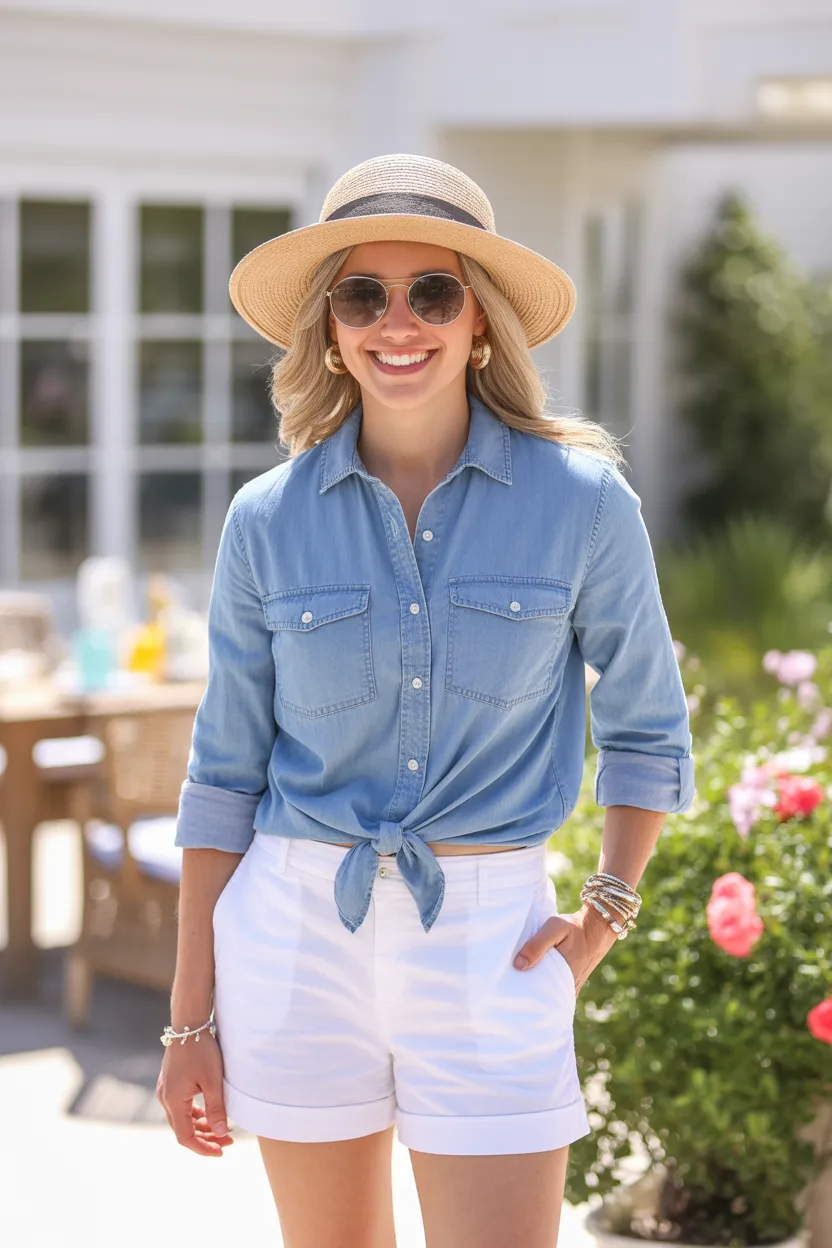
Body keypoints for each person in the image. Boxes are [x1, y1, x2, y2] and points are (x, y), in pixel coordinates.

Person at [156, 153, 694, 1248]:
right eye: (363, 295)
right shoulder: (266, 520)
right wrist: (187, 1024)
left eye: (431, 292)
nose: (396, 322)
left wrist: (601, 922)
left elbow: (646, 731)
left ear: (481, 321)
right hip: (297, 934)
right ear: (330, 328)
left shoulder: (583, 503)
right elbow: (222, 779)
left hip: (492, 940)